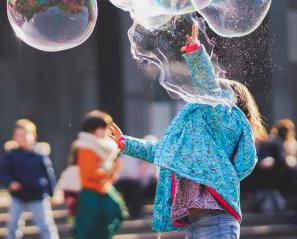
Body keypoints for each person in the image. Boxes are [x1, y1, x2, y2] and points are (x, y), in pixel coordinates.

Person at [108, 24, 265, 239]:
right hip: (195, 222)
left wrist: (196, 53)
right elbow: (164, 152)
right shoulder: (199, 135)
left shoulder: (223, 120)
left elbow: (208, 89)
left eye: (217, 92)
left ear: (229, 102)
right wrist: (125, 143)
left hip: (216, 219)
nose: (201, 95)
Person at [0, 119, 59, 239]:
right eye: (18, 135)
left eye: (25, 134)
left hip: (38, 196)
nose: (22, 138)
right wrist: (10, 182)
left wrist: (52, 193)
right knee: (13, 226)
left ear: (34, 135)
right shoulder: (10, 155)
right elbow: (4, 172)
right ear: (14, 137)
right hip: (18, 196)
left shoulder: (40, 155)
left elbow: (49, 175)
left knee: (45, 225)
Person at [73, 110, 127, 239]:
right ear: (93, 129)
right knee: (90, 230)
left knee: (108, 221)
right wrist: (111, 170)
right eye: (103, 128)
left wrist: (112, 171)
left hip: (101, 191)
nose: (106, 131)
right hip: (91, 193)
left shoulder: (99, 146)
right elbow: (89, 173)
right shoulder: (87, 147)